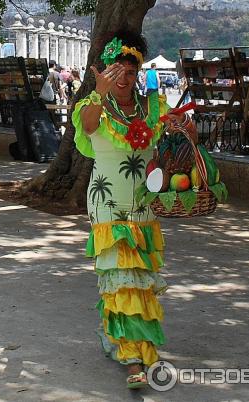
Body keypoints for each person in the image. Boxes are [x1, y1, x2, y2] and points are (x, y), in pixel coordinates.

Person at [72, 31, 191, 388]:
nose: (123, 76)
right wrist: (99, 93)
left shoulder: (153, 107)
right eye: (116, 68)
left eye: (130, 69)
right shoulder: (91, 105)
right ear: (106, 70)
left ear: (139, 71)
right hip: (107, 205)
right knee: (120, 280)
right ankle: (133, 356)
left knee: (140, 281)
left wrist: (182, 125)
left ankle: (131, 342)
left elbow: (186, 138)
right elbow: (89, 126)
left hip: (143, 204)